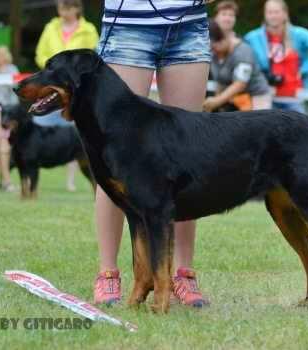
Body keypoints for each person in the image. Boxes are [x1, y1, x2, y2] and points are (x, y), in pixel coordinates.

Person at [93, 0, 215, 308]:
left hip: (189, 24)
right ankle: (108, 273)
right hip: (128, 25)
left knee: (188, 155)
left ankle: (183, 274)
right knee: (116, 158)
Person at [35, 0, 99, 192]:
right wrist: (52, 72)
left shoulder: (89, 30)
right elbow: (40, 54)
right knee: (40, 128)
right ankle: (37, 175)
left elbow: (93, 57)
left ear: (77, 9)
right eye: (61, 8)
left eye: (68, 8)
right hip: (51, 88)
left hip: (78, 91)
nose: (63, 12)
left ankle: (71, 181)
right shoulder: (50, 27)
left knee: (77, 137)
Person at [245, 0, 308, 112]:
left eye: (276, 12)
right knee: (265, 128)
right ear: (265, 15)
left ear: (285, 14)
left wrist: (304, 69)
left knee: (298, 128)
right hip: (265, 96)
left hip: (293, 97)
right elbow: (245, 61)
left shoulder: (298, 34)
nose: (273, 16)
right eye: (269, 12)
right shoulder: (252, 38)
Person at [204, 20, 271, 112]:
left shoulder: (243, 51)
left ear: (224, 38)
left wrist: (216, 101)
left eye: (215, 45)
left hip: (256, 96)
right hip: (234, 99)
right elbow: (219, 81)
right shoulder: (215, 53)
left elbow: (240, 84)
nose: (213, 49)